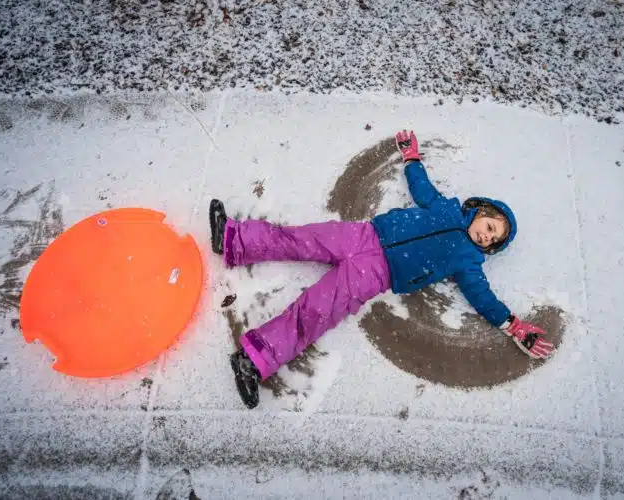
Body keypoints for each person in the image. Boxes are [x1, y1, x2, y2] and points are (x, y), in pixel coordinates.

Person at [210, 130, 554, 409]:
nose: (485, 234)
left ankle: (254, 362)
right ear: (480, 210)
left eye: (492, 239)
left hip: (376, 274)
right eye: (490, 225)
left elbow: (483, 297)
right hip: (364, 234)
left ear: (488, 249)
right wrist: (412, 158)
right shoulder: (446, 208)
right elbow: (423, 189)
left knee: (316, 310)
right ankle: (234, 239)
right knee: (302, 238)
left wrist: (513, 325)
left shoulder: (468, 261)